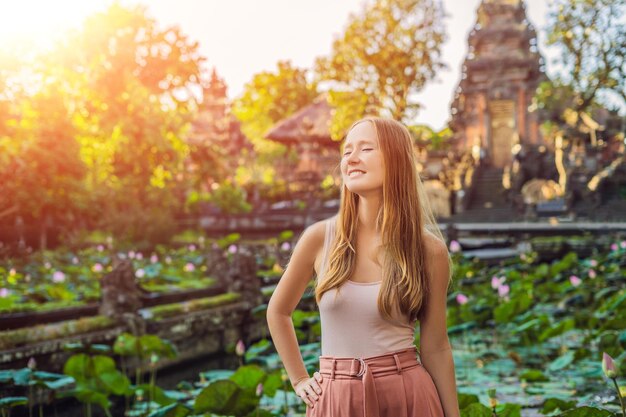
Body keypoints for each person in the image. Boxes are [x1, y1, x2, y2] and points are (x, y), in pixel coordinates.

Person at [267, 117, 461, 417]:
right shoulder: (319, 238)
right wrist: (299, 379)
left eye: (366, 148)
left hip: (408, 395)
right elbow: (278, 312)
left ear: (396, 160)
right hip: (335, 399)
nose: (352, 158)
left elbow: (436, 346)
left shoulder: (428, 250)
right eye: (347, 151)